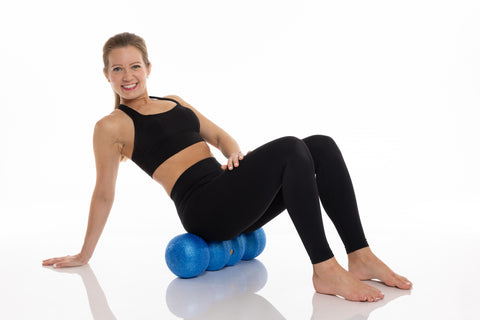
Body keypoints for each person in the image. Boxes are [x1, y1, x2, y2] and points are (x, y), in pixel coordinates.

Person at [43, 32, 412, 302]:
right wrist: (84, 253)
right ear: (106, 74)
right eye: (117, 69)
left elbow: (222, 138)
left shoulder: (174, 101)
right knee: (291, 150)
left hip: (227, 190)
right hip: (204, 210)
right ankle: (325, 269)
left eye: (135, 66)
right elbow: (104, 193)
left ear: (149, 67)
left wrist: (234, 156)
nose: (128, 76)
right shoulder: (111, 126)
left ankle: (359, 255)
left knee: (320, 146)